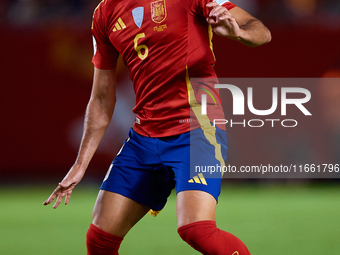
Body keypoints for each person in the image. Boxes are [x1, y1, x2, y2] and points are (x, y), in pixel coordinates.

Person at [44, 0, 271, 254]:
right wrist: (80, 164)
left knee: (196, 230)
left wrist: (240, 33)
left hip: (196, 127)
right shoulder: (104, 13)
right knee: (99, 241)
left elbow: (261, 31)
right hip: (144, 137)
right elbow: (100, 99)